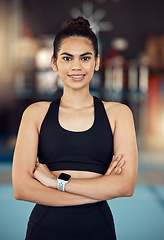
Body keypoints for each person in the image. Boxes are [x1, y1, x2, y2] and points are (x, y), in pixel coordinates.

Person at [12, 17, 138, 240]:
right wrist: (99, 190)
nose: (76, 66)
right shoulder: (36, 114)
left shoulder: (118, 114)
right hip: (45, 229)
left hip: (98, 229)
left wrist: (55, 182)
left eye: (85, 58)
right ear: (54, 62)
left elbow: (125, 186)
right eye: (67, 58)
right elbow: (22, 188)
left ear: (97, 62)